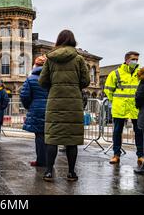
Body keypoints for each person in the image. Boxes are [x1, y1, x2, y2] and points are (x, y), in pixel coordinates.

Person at [39, 30, 90, 182]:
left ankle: (48, 172)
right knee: (71, 139)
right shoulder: (79, 59)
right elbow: (86, 80)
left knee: (52, 138)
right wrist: (74, 85)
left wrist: (53, 84)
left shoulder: (50, 59)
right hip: (73, 102)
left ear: (58, 41)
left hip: (55, 100)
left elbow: (42, 81)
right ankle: (71, 173)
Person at [104, 51, 144, 166]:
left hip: (135, 107)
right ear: (126, 60)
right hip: (120, 107)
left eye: (137, 59)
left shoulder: (140, 73)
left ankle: (140, 155)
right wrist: (115, 101)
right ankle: (116, 155)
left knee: (139, 132)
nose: (135, 62)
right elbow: (108, 90)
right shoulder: (115, 73)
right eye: (133, 59)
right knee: (117, 132)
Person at [21, 55, 49, 167]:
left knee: (39, 136)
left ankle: (41, 161)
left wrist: (30, 106)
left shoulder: (31, 78)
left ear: (35, 65)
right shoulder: (52, 77)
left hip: (37, 110)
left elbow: (24, 96)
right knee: (50, 136)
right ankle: (49, 161)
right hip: (52, 109)